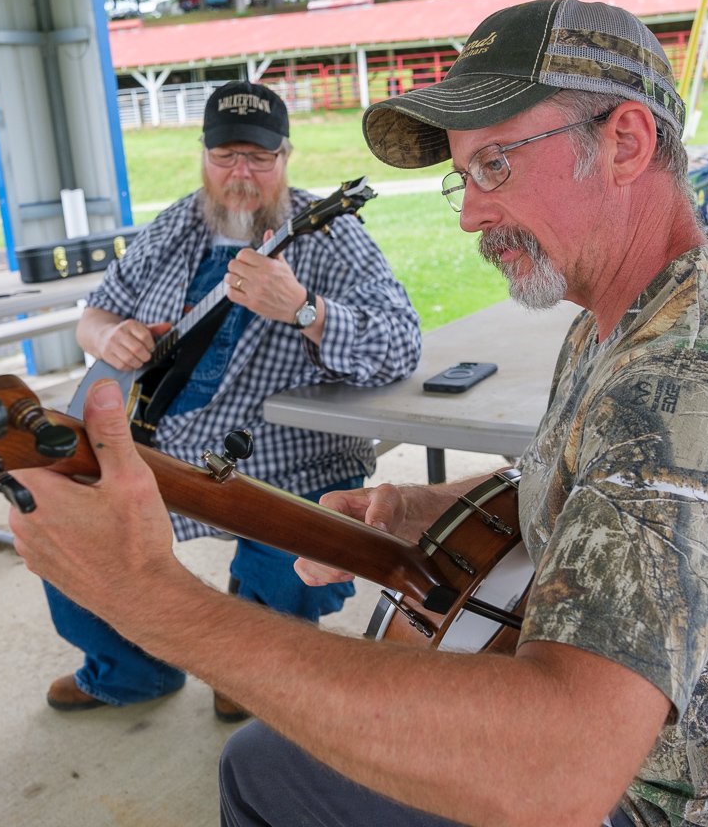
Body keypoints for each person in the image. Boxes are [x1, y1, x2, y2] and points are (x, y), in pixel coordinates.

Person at [11, 0, 708, 826]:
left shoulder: (688, 381)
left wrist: (151, 597)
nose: (468, 212)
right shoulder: (623, 315)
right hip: (644, 771)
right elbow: (600, 479)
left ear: (626, 144)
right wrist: (433, 505)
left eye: (495, 164)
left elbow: (559, 773)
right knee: (271, 757)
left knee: (258, 765)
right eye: (462, 175)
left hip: (670, 803)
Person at [40, 79, 422, 721]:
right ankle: (128, 671)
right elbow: (95, 314)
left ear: (287, 157)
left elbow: (400, 346)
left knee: (290, 560)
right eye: (225, 157)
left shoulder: (327, 233)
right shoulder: (176, 225)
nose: (241, 173)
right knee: (59, 512)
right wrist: (112, 334)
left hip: (288, 456)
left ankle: (250, 665)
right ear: (203, 155)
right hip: (160, 444)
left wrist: (305, 309)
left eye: (259, 157)